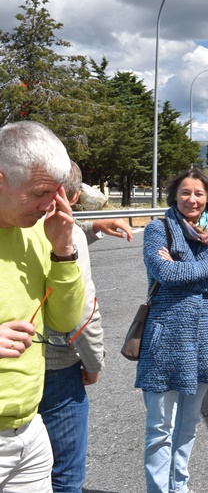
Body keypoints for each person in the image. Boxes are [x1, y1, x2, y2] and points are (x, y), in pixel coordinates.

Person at [135, 168, 208, 493]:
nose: (192, 199)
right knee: (160, 428)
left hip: (205, 340)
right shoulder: (158, 229)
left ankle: (179, 486)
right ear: (175, 195)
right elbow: (164, 274)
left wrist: (182, 268)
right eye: (185, 192)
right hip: (165, 340)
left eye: (199, 193)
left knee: (188, 425)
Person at [0, 121, 85, 492]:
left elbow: (64, 322)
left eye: (56, 192)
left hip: (30, 428)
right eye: (40, 192)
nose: (50, 205)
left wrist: (63, 250)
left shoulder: (40, 229)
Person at [38, 162, 131, 493]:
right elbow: (82, 314)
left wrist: (94, 228)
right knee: (64, 474)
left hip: (16, 365)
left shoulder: (15, 226)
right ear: (73, 196)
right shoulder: (68, 236)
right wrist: (94, 364)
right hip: (57, 368)